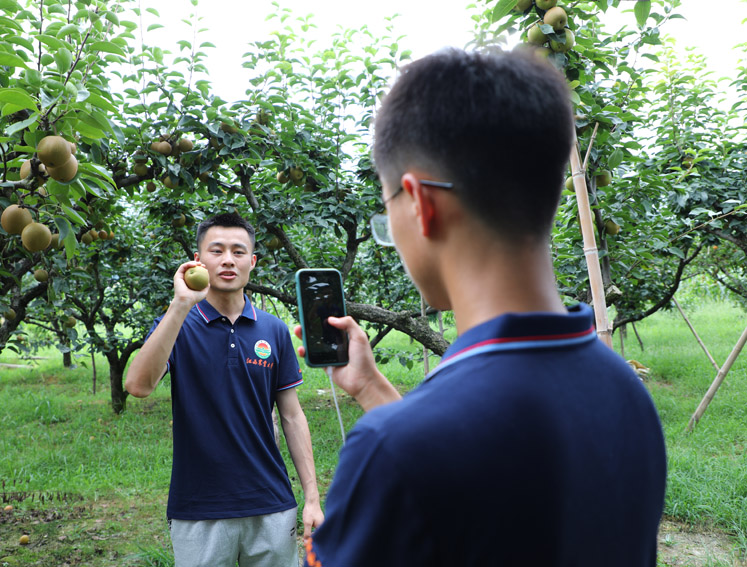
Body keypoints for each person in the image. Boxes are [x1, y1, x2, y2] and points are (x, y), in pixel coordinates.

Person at [299, 49, 667, 566]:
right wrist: (370, 388)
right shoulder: (626, 391)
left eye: (387, 210)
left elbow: (437, 467)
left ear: (420, 203)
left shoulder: (392, 452)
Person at [126, 213, 324, 567]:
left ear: (253, 261)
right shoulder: (177, 325)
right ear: (198, 260)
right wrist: (180, 304)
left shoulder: (274, 330)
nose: (228, 259)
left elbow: (292, 416)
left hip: (270, 503)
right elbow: (138, 386)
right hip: (198, 507)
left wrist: (312, 496)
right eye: (216, 251)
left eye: (238, 251)